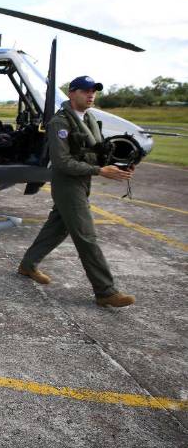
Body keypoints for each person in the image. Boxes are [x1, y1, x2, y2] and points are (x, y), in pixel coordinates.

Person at [18, 75, 136, 307]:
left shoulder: (89, 118)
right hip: (68, 183)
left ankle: (27, 265)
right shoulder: (59, 123)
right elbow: (62, 162)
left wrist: (119, 164)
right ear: (71, 93)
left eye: (93, 91)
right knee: (86, 236)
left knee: (57, 228)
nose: (91, 95)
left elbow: (97, 151)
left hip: (83, 181)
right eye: (85, 90)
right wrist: (100, 171)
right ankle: (105, 291)